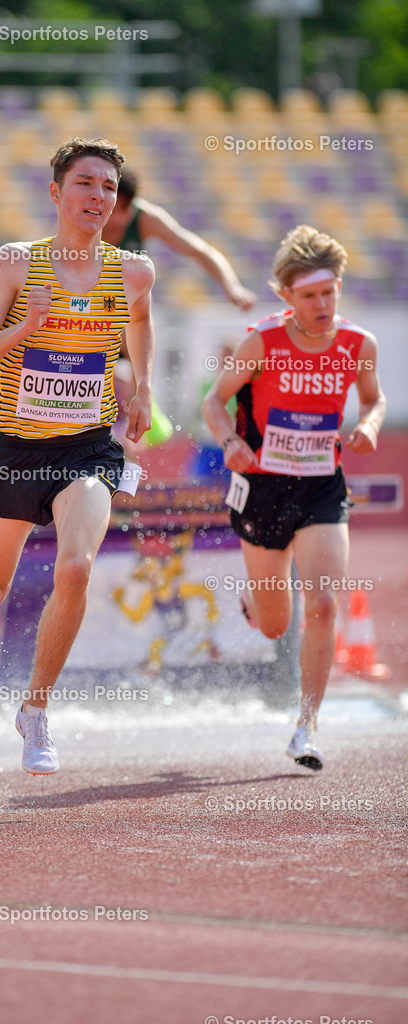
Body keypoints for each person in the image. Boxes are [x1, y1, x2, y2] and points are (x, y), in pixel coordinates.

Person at [0, 137, 155, 786]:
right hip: (14, 449)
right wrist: (24, 332)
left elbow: (140, 322)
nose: (97, 197)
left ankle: (35, 710)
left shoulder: (132, 271)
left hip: (85, 447)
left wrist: (142, 387)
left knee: (78, 568)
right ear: (56, 193)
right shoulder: (15, 263)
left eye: (108, 188)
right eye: (85, 184)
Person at [201, 224, 386, 771]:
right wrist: (230, 440)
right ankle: (255, 604)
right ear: (287, 297)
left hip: (322, 488)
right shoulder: (261, 341)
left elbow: (374, 400)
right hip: (261, 488)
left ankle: (306, 725)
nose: (322, 304)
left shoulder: (359, 344)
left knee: (324, 604)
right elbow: (215, 401)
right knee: (277, 623)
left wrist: (370, 424)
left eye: (329, 293)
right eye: (309, 296)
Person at [102, 167, 256, 311]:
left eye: (126, 209)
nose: (119, 219)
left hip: (125, 299)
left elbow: (202, 251)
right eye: (115, 209)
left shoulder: (146, 218)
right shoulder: (84, 215)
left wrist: (232, 288)